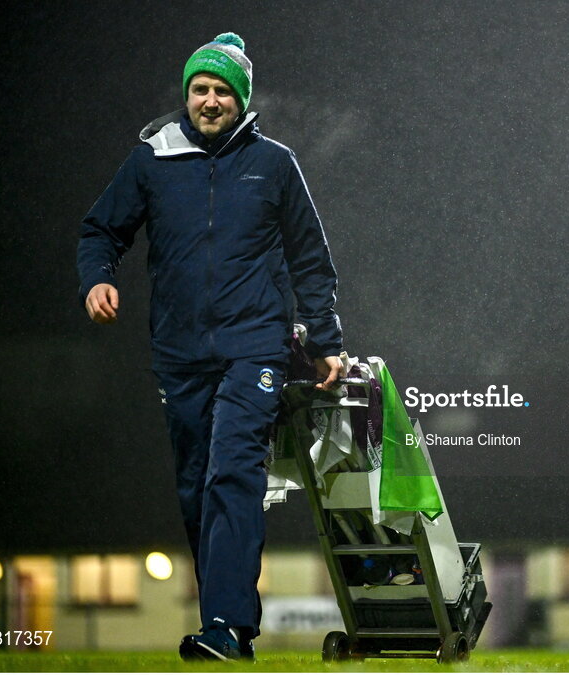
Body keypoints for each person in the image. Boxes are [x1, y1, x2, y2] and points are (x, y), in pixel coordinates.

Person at [76, 32, 344, 661]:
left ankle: (223, 623)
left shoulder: (275, 164)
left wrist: (327, 341)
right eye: (201, 89)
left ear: (242, 99)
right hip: (179, 354)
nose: (210, 100)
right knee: (197, 484)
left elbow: (311, 258)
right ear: (187, 95)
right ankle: (232, 628)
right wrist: (97, 279)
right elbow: (99, 230)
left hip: (255, 348)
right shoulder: (151, 160)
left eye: (223, 90)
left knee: (231, 471)